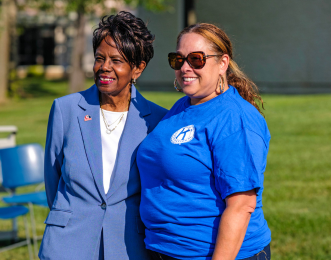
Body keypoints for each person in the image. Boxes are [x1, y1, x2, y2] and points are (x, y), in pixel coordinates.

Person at [39, 11, 167, 260]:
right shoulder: (65, 109)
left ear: (137, 69)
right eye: (99, 58)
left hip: (128, 245)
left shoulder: (157, 120)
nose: (104, 67)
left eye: (116, 60)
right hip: (68, 243)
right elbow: (52, 179)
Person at [137, 23, 271, 260]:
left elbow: (241, 206)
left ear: (222, 63)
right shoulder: (183, 107)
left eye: (196, 59)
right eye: (178, 60)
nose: (185, 67)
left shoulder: (234, 119)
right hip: (165, 249)